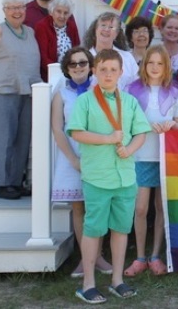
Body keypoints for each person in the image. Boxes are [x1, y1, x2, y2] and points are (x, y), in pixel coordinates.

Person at [68, 49, 150, 303]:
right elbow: (76, 132)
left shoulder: (130, 101)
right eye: (103, 69)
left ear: (120, 73)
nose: (108, 74)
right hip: (98, 176)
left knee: (120, 229)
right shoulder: (85, 101)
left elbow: (141, 133)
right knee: (93, 229)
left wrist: (130, 149)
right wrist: (107, 139)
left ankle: (117, 280)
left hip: (125, 177)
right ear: (94, 70)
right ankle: (88, 283)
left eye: (113, 69)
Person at [50, 47, 112, 278]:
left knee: (97, 205)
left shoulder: (100, 89)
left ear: (90, 65)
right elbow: (57, 128)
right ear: (67, 68)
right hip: (71, 154)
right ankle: (85, 258)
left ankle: (98, 257)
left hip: (97, 151)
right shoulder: (61, 93)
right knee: (78, 207)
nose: (78, 67)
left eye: (83, 63)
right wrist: (73, 159)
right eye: (73, 64)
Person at [125, 45, 178, 277]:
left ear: (166, 66)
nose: (155, 67)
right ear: (144, 65)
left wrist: (170, 125)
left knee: (161, 207)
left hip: (164, 156)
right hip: (140, 155)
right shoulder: (132, 89)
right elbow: (126, 124)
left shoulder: (173, 91)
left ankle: (156, 255)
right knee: (140, 208)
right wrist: (147, 127)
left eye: (160, 63)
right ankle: (139, 256)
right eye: (151, 63)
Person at [0, 0, 41, 200]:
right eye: (12, 7)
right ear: (4, 10)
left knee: (22, 139)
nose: (17, 11)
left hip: (27, 90)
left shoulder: (30, 32)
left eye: (21, 7)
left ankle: (16, 181)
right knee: (5, 138)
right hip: (2, 91)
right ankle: (3, 184)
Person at [83, 12, 139, 91]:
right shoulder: (83, 59)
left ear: (116, 34)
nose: (106, 29)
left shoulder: (128, 58)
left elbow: (138, 86)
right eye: (103, 25)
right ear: (95, 29)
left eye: (111, 27)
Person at [34, 0, 81, 82]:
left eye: (66, 13)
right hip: (49, 76)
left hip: (71, 75)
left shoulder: (72, 26)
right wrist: (60, 73)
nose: (62, 16)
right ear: (52, 11)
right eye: (58, 11)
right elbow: (43, 57)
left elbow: (78, 51)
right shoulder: (42, 26)